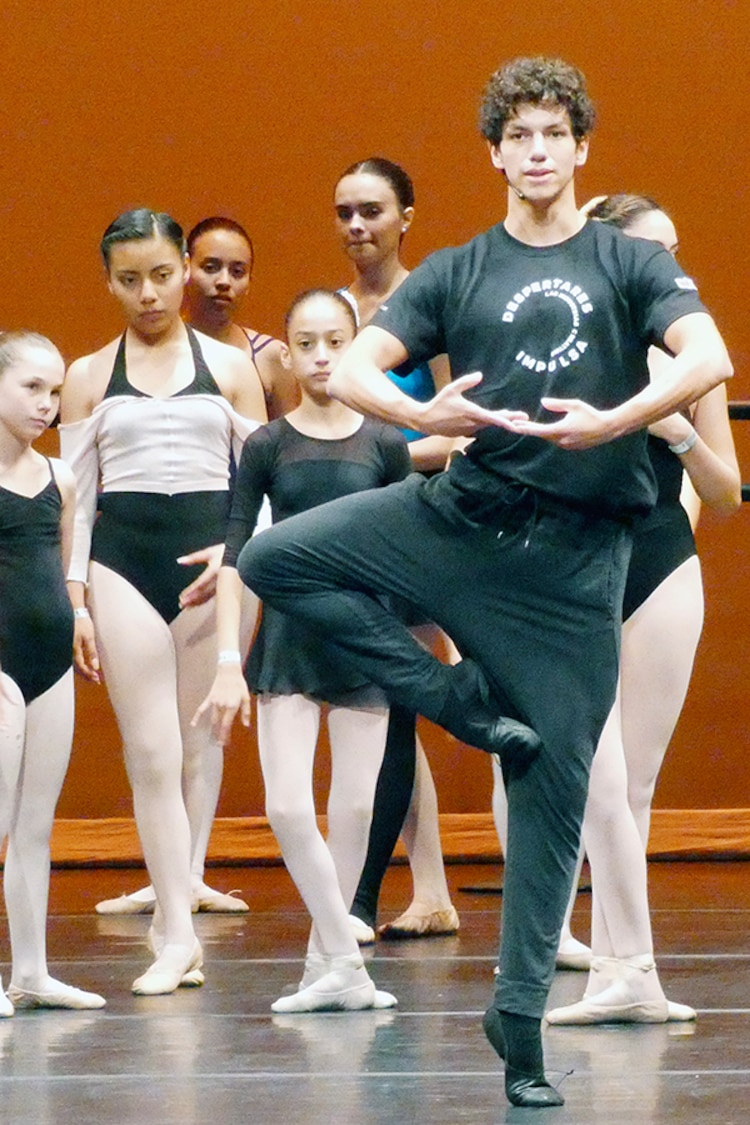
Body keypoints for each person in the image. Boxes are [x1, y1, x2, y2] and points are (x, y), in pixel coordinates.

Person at [234, 57, 732, 1108]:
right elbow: (358, 367)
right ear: (497, 152)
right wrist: (421, 415)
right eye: (521, 135)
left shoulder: (624, 264)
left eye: (556, 133)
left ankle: (520, 1024)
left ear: (580, 149)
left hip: (573, 568)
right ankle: (454, 698)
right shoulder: (460, 269)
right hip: (457, 520)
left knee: (555, 787)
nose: (539, 150)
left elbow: (709, 355)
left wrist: (620, 418)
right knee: (277, 557)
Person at [542, 194, 740, 1024]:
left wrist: (679, 435)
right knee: (595, 774)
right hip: (575, 568)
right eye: (656, 251)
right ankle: (630, 969)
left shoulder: (688, 356)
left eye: (679, 249)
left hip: (662, 563)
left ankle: (623, 970)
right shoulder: (567, 343)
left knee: (638, 783)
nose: (676, 267)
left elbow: (726, 495)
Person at [60, 208, 267, 993]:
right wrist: (75, 599)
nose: (147, 293)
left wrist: (237, 553)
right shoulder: (87, 375)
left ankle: (179, 898)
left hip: (214, 567)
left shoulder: (231, 365)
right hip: (122, 564)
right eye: (128, 279)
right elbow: (75, 499)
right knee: (148, 752)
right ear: (109, 280)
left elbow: (263, 484)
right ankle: (175, 931)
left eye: (159, 274)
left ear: (185, 266)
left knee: (196, 747)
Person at [194, 289, 409, 1011]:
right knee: (288, 807)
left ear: (358, 344)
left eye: (335, 342)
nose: (321, 357)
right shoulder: (266, 445)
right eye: (307, 343)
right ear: (286, 351)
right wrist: (228, 660)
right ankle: (346, 960)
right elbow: (235, 552)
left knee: (352, 809)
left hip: (366, 637)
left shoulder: (383, 441)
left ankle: (327, 965)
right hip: (287, 634)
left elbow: (413, 550)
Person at [335, 156, 459, 942]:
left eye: (372, 210)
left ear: (407, 215)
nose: (356, 226)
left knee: (398, 704)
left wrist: (384, 462)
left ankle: (373, 894)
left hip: (417, 521)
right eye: (344, 211)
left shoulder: (433, 307)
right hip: (352, 527)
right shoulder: (332, 317)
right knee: (388, 705)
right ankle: (434, 887)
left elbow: (459, 428)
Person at [0, 330, 105, 1014]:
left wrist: (81, 616)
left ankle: (32, 970)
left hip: (50, 661)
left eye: (56, 390)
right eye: (32, 387)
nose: (48, 403)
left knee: (36, 827)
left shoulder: (60, 478)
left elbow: (63, 568)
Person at [184, 216, 299, 419]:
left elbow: (288, 446)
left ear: (249, 282)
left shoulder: (271, 356)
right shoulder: (159, 352)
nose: (224, 282)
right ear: (185, 269)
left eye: (237, 272)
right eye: (210, 268)